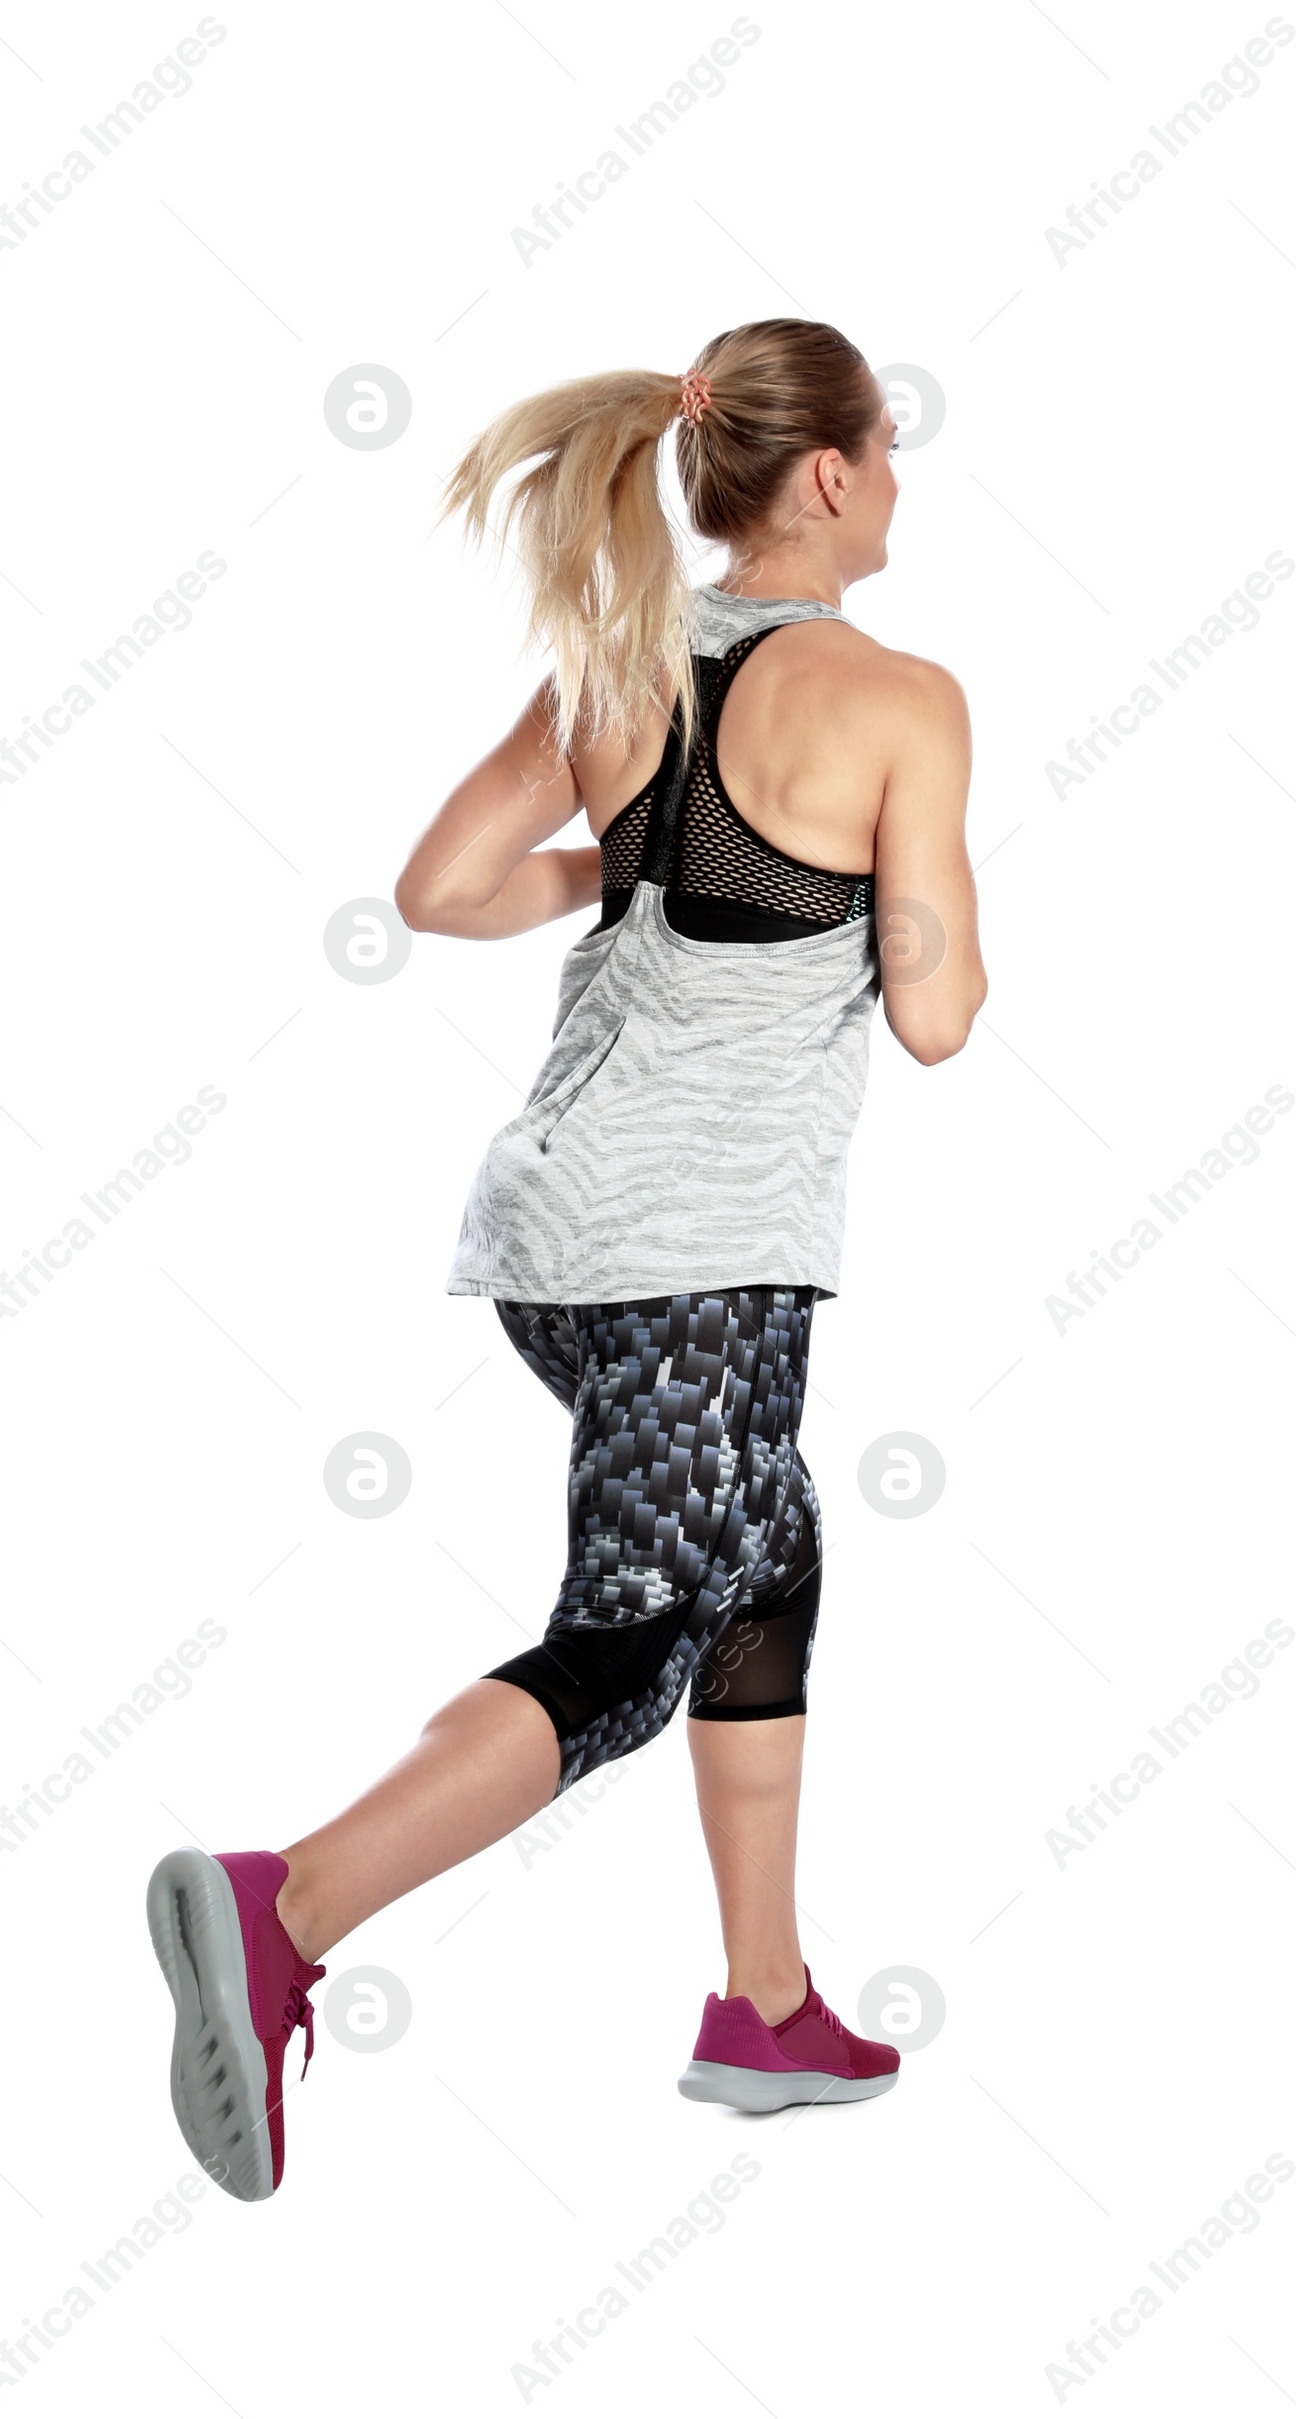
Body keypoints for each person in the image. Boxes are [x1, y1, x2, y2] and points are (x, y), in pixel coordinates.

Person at [146, 317, 988, 2199]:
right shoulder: (900, 695)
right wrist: (902, 907)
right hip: (703, 1258)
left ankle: (762, 2007)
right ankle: (288, 1910)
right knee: (629, 1646)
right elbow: (936, 1016)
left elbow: (439, 888)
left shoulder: (616, 660)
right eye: (893, 454)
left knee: (761, 1552)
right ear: (833, 476)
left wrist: (628, 868)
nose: (902, 486)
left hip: (553, 1238)